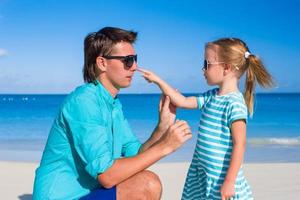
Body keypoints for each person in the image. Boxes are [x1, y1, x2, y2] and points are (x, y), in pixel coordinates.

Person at [33, 27, 192, 200]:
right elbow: (107, 176)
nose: (135, 67)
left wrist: (162, 127)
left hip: (90, 193)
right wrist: (165, 146)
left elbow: (136, 155)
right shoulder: (83, 102)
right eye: (128, 60)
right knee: (147, 184)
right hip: (65, 196)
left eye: (135, 59)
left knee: (143, 178)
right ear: (102, 63)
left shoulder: (113, 105)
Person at [138, 38, 274, 200]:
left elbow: (240, 144)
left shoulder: (235, 104)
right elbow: (182, 101)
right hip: (201, 174)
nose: (203, 69)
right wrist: (158, 81)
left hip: (221, 178)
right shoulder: (210, 97)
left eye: (207, 64)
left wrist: (229, 181)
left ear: (226, 68)